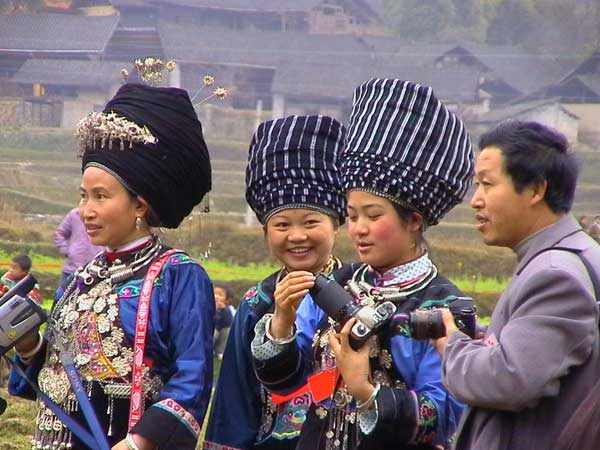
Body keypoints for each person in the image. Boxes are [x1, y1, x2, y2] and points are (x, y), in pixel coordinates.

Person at [250, 79, 475, 450]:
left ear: (414, 220)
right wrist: (282, 320)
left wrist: (364, 390)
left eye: (373, 215)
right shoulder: (334, 284)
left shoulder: (442, 307)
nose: (359, 229)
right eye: (352, 215)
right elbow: (284, 383)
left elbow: (445, 413)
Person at [9, 83, 215, 450]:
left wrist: (139, 442)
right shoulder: (81, 280)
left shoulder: (177, 276)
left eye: (101, 196)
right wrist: (29, 346)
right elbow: (60, 374)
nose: (86, 210)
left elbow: (193, 378)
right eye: (84, 196)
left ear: (140, 205)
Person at [433, 121, 600, 450]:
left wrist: (453, 346)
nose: (475, 201)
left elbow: (509, 379)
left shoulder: (555, 275)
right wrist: (482, 339)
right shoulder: (569, 257)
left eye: (487, 184)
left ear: (536, 190)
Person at [203, 115, 347, 450]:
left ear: (337, 223)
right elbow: (235, 400)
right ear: (265, 232)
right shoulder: (257, 302)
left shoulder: (361, 290)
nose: (297, 236)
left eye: (311, 221)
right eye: (281, 225)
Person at [54, 207, 104, 287]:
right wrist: (68, 251)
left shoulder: (105, 216)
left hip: (94, 271)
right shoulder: (74, 215)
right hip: (70, 270)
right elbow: (60, 234)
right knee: (61, 297)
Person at [213, 284, 234, 359]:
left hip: (222, 330)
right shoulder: (207, 305)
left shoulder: (228, 309)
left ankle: (220, 351)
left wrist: (224, 310)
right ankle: (209, 350)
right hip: (212, 329)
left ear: (227, 300)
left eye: (220, 295)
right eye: (214, 293)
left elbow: (229, 322)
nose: (216, 296)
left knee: (227, 331)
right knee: (214, 333)